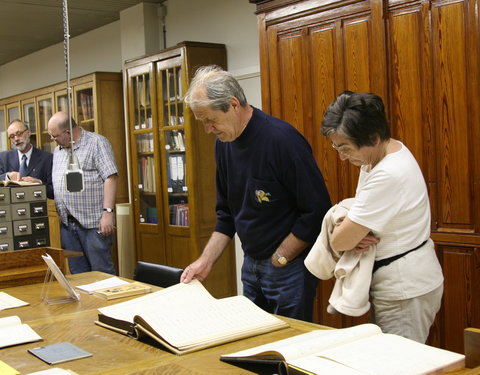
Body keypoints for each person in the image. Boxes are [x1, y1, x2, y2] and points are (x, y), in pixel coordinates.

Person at [180, 65, 331, 322]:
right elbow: (226, 215)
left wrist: (281, 257)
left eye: (210, 120)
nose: (208, 129)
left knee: (288, 347)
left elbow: (316, 210)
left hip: (288, 267)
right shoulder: (224, 145)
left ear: (233, 104)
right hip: (251, 266)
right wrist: (205, 261)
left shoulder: (282, 140)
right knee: (254, 344)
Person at [317, 91, 443, 343]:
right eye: (336, 147)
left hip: (404, 289)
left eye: (345, 148)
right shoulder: (381, 153)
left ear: (373, 138)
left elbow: (340, 242)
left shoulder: (388, 173)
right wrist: (355, 232)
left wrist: (349, 233)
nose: (341, 156)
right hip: (400, 281)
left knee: (400, 365)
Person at [47, 111, 118, 274]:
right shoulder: (58, 151)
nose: (53, 140)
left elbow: (111, 177)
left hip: (93, 224)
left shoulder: (96, 143)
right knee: (78, 275)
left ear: (68, 132)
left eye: (55, 136)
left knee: (102, 274)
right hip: (68, 224)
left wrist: (108, 213)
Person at [0, 119, 53, 198]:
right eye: (12, 136)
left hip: (37, 206)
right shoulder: (3, 157)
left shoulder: (47, 158)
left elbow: (53, 191)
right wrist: (7, 176)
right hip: (11, 207)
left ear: (28, 133)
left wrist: (39, 183)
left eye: (19, 134)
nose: (16, 139)